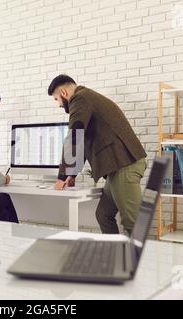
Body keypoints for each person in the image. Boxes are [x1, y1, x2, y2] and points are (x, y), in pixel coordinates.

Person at [48, 75, 147, 235]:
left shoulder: (80, 99)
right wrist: (71, 175)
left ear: (64, 92)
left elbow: (74, 137)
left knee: (133, 225)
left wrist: (61, 176)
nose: (59, 104)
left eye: (56, 99)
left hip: (124, 165)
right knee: (103, 215)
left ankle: (133, 260)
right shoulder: (87, 98)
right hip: (117, 167)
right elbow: (84, 140)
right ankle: (114, 255)